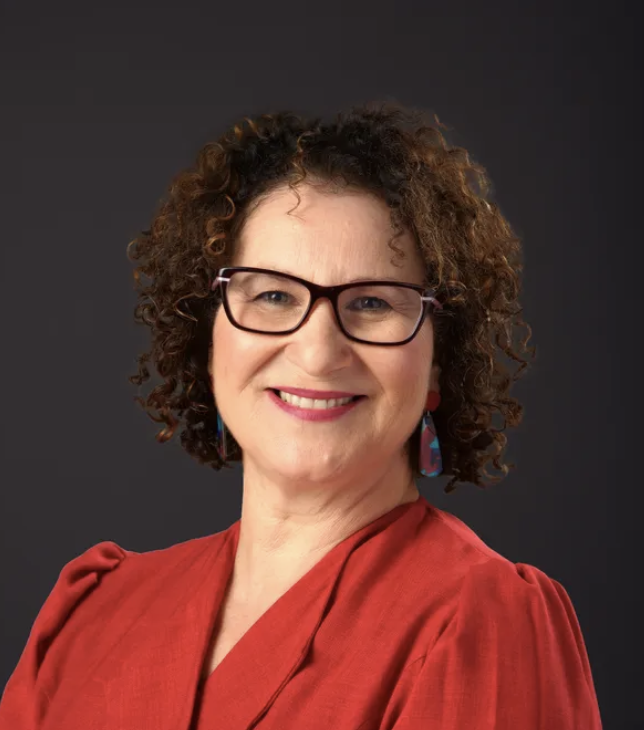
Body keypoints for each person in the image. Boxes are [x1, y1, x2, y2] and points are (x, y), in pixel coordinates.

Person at [0, 103, 603, 729]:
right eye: (272, 295)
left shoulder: (481, 619)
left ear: (437, 365)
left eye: (373, 302)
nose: (317, 352)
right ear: (209, 343)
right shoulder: (92, 612)